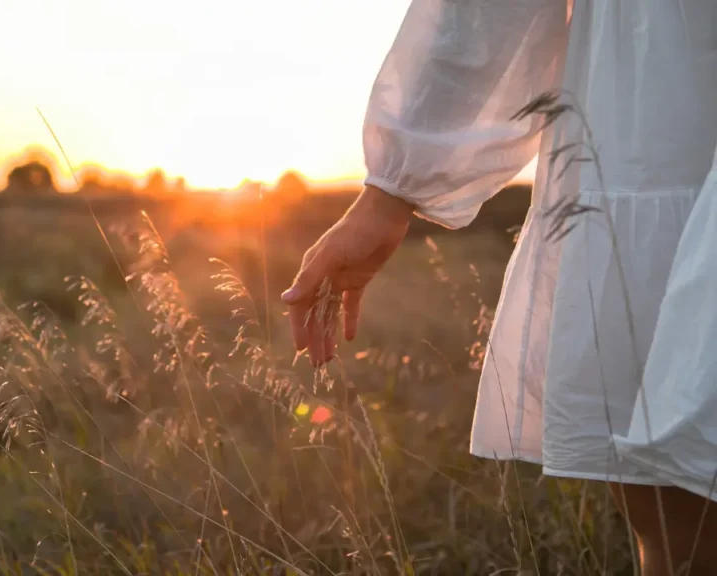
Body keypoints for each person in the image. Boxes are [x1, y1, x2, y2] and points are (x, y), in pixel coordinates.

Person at [281, 1, 717, 574]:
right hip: (661, 102)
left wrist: (394, 187)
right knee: (677, 514)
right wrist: (390, 191)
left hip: (656, 107)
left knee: (681, 517)